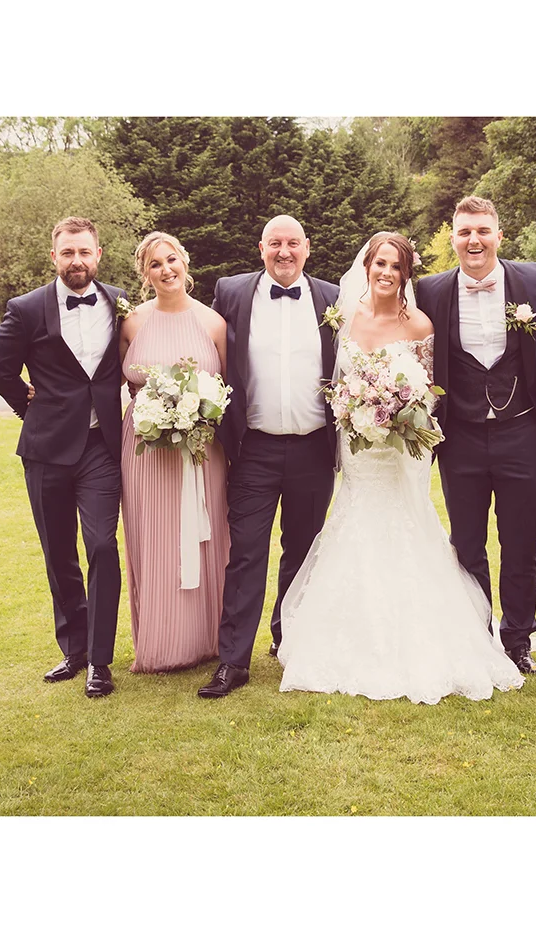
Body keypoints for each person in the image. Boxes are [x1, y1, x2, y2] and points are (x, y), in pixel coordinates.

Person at [277, 233, 525, 704]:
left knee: (405, 527)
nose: (387, 273)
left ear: (406, 275)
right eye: (380, 264)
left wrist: (397, 415)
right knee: (355, 523)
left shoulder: (420, 326)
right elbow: (334, 383)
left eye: (396, 267)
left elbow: (430, 393)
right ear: (367, 267)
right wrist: (356, 410)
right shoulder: (343, 318)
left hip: (398, 452)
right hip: (358, 450)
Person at [413, 196, 536, 674]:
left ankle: (518, 639)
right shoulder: (429, 291)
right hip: (459, 437)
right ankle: (476, 636)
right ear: (453, 238)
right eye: (464, 232)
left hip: (522, 430)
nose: (474, 240)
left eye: (482, 231)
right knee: (467, 542)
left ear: (499, 235)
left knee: (520, 541)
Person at [197, 215, 340, 699]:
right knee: (246, 553)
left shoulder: (333, 299)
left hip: (314, 449)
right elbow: (208, 353)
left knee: (302, 552)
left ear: (307, 248)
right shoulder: (231, 292)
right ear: (261, 248)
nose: (284, 251)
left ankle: (289, 640)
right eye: (275, 243)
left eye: (293, 243)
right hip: (253, 448)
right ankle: (233, 660)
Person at [0, 216, 125, 698]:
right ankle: (75, 651)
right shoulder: (25, 309)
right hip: (46, 451)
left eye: (84, 252)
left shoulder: (120, 302)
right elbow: (0, 371)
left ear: (98, 255)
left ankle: (101, 662)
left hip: (101, 448)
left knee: (102, 546)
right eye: (68, 253)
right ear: (54, 257)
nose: (77, 261)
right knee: (59, 553)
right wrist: (30, 407)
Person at [118, 232, 230, 672]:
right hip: (145, 453)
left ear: (185, 262)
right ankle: (160, 644)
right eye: (155, 264)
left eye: (171, 260)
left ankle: (206, 639)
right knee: (153, 539)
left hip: (202, 450)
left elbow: (230, 387)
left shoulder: (213, 323)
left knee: (206, 538)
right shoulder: (132, 323)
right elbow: (107, 382)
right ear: (145, 275)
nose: (166, 270)